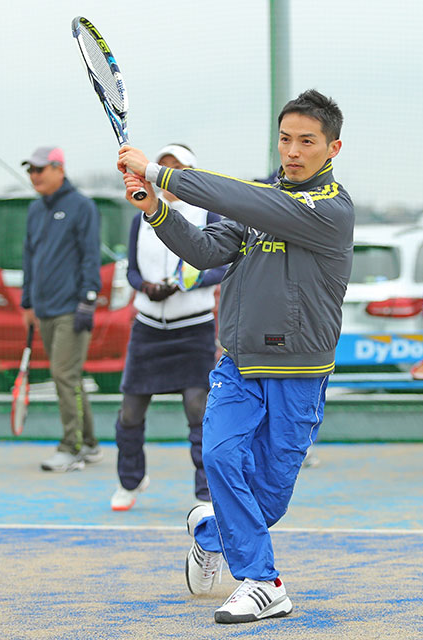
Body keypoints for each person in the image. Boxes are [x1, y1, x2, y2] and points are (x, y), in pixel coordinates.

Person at [118, 89, 353, 624]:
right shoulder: (260, 199)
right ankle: (263, 583)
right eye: (286, 139)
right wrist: (157, 209)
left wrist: (158, 172)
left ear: (332, 148)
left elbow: (241, 200)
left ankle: (207, 531)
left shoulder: (331, 210)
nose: (292, 151)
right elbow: (204, 251)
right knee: (221, 457)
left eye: (307, 142)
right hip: (239, 362)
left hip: (300, 372)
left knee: (267, 498)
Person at [110, 143, 226, 511]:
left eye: (178, 168)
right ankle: (130, 481)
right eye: (164, 167)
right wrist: (147, 287)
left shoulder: (208, 213)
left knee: (197, 408)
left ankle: (205, 491)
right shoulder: (140, 215)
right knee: (130, 411)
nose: (170, 175)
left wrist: (187, 283)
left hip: (194, 329)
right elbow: (131, 270)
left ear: (191, 173)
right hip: (147, 328)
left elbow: (222, 265)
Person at [20, 146, 102, 472]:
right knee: (71, 378)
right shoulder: (35, 210)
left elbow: (90, 256)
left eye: (40, 169)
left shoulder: (82, 206)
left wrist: (88, 300)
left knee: (63, 375)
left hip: (72, 307)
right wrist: (27, 301)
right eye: (31, 170)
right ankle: (91, 443)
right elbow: (29, 258)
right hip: (44, 309)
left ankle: (72, 447)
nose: (34, 176)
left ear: (59, 169)